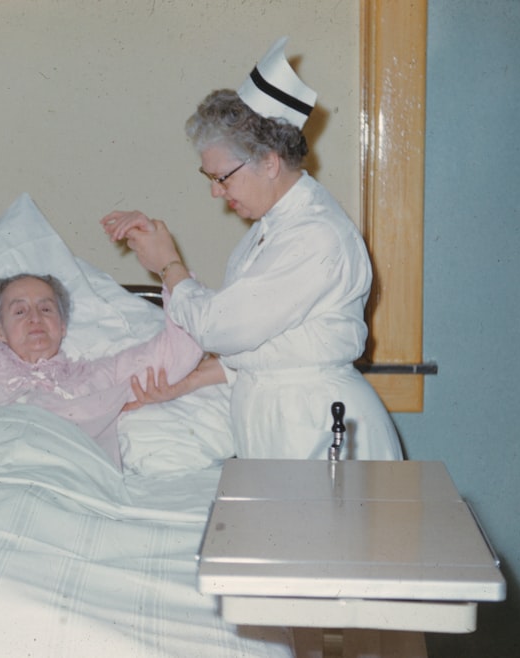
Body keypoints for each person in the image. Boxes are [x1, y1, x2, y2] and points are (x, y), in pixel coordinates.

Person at [101, 37, 402, 461]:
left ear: (270, 162)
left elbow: (221, 327)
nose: (214, 191)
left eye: (222, 177)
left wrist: (168, 264)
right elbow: (260, 348)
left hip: (313, 425)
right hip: (277, 423)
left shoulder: (316, 235)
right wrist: (181, 385)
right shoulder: (266, 232)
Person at [0, 273, 213, 469]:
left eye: (46, 309)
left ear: (61, 326)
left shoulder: (98, 375)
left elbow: (178, 350)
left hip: (65, 478)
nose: (34, 319)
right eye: (19, 311)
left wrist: (168, 266)